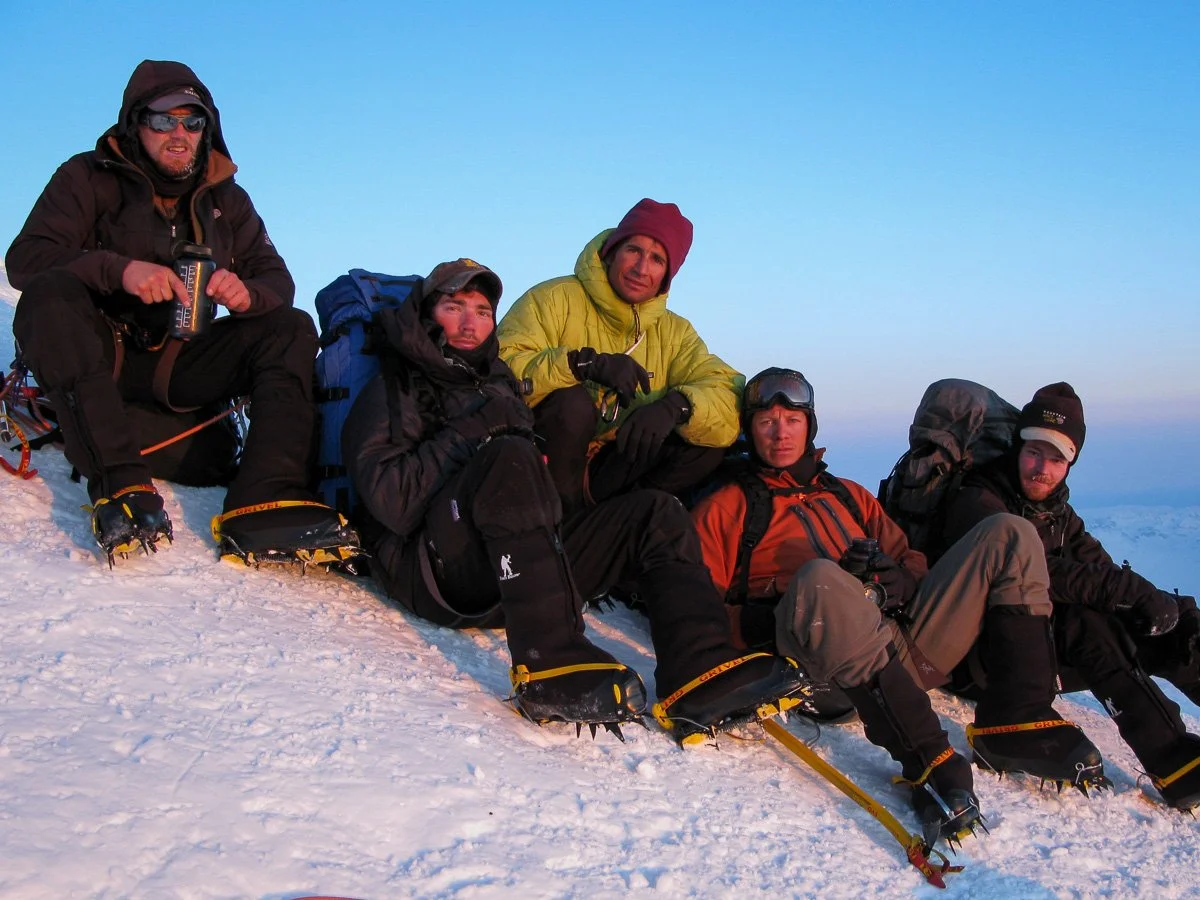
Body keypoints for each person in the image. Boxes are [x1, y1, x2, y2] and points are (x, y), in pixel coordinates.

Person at [341, 259, 808, 739]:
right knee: (509, 455)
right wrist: (478, 430)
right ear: (426, 313)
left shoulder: (498, 382)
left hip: (516, 576)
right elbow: (393, 501)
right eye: (453, 306)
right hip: (440, 577)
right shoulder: (394, 387)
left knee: (654, 512)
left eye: (482, 311)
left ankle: (700, 671)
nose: (469, 322)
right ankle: (552, 665)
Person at [692, 368, 1111, 847]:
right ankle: (928, 759)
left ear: (810, 425)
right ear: (750, 427)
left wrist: (898, 580)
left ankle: (1016, 720)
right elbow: (699, 607)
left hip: (902, 646)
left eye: (792, 418)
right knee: (821, 577)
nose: (780, 431)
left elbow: (910, 559)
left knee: (1010, 533)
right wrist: (771, 615)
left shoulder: (848, 495)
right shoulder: (728, 506)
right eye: (767, 420)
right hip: (822, 672)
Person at [6, 59, 353, 566]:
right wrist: (116, 271)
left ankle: (262, 501)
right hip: (101, 350)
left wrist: (246, 293)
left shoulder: (227, 201)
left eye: (193, 123)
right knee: (50, 295)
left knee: (289, 326)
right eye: (163, 120)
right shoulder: (85, 176)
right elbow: (26, 260)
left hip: (180, 360)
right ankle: (122, 486)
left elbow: (277, 280)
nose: (179, 134)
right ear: (135, 124)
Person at [940, 383, 1200, 810]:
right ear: (1016, 448)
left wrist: (1160, 607)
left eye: (1057, 458)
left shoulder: (1059, 515)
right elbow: (1033, 571)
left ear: (1070, 463)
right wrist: (1126, 590)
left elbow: (1105, 575)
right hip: (980, 662)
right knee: (1088, 622)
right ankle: (1172, 759)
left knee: (1170, 626)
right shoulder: (979, 500)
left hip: (1036, 656)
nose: (1042, 468)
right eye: (1034, 452)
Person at [497, 199, 741, 518]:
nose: (641, 269)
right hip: (543, 468)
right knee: (571, 405)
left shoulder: (675, 332)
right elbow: (502, 372)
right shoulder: (551, 299)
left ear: (668, 274)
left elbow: (727, 394)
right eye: (634, 250)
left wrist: (676, 406)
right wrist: (582, 365)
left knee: (705, 441)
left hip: (608, 472)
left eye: (657, 259)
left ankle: (622, 515)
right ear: (612, 251)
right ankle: (561, 521)